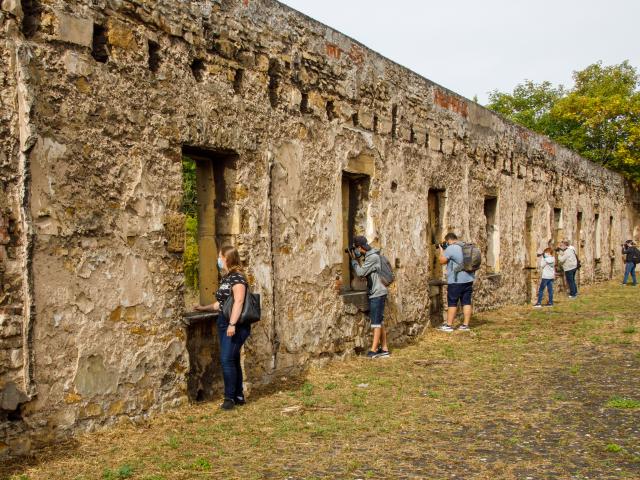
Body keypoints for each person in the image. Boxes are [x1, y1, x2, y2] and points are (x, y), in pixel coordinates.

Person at [195, 246, 251, 410]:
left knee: (227, 360)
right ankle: (238, 396)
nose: (218, 260)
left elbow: (239, 301)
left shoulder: (238, 278)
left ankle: (229, 399)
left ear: (227, 258)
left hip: (235, 325)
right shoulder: (227, 278)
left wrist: (232, 323)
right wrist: (204, 308)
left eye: (220, 256)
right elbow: (223, 303)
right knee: (232, 359)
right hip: (223, 322)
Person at [350, 236, 390, 359]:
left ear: (360, 247)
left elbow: (361, 273)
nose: (356, 250)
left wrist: (354, 261)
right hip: (379, 291)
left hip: (377, 293)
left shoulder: (371, 257)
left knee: (376, 322)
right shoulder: (371, 255)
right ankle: (384, 348)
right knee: (380, 320)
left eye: (356, 248)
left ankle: (374, 350)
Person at [437, 232, 475, 332]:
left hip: (456, 281)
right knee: (466, 302)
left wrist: (442, 250)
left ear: (448, 240)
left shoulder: (451, 248)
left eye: (446, 242)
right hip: (469, 279)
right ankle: (465, 325)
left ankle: (449, 325)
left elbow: (442, 261)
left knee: (452, 302)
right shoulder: (464, 245)